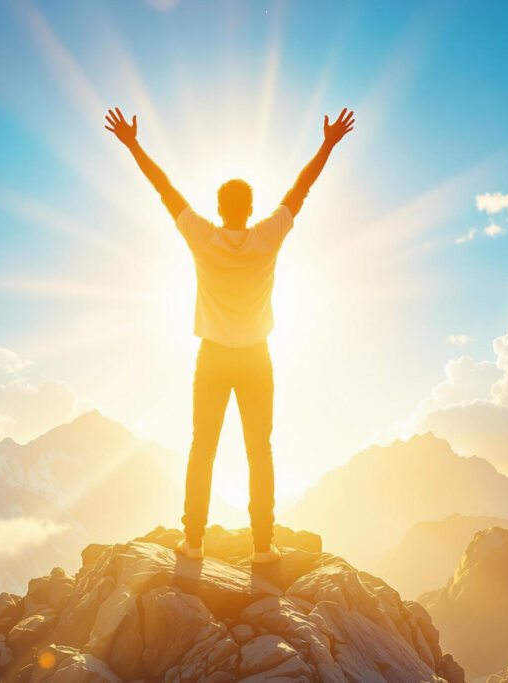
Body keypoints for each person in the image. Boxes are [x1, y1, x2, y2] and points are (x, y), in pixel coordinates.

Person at [105, 106, 354, 564]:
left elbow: (165, 190)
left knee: (203, 448)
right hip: (257, 357)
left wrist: (133, 144)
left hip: (214, 357)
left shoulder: (203, 237)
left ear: (219, 209)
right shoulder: (267, 237)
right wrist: (328, 143)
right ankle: (262, 547)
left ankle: (193, 541)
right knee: (259, 451)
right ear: (251, 209)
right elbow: (301, 190)